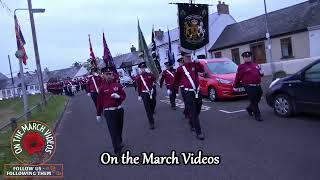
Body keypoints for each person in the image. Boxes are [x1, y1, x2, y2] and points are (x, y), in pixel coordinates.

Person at [173, 52, 205, 140]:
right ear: (183, 57)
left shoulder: (194, 64)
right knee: (193, 110)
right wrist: (174, 91)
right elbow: (176, 81)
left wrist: (197, 61)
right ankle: (199, 132)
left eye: (189, 56)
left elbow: (202, 70)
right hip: (188, 92)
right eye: (186, 56)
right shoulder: (180, 69)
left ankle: (192, 121)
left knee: (199, 106)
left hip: (197, 91)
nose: (188, 58)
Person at [96, 66, 126, 156]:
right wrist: (98, 113)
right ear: (103, 76)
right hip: (109, 112)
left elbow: (124, 96)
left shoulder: (117, 85)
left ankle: (119, 141)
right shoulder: (101, 88)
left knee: (119, 128)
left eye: (110, 74)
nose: (109, 76)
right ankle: (117, 149)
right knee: (113, 130)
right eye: (107, 74)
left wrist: (119, 97)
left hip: (119, 110)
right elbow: (99, 102)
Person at [233, 51, 264, 121]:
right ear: (243, 58)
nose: (247, 58)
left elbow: (261, 74)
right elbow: (238, 76)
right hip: (249, 86)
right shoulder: (241, 67)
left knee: (259, 97)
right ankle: (258, 115)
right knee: (253, 100)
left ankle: (249, 108)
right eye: (246, 57)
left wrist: (261, 72)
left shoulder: (255, 65)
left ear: (250, 57)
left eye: (249, 57)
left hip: (258, 85)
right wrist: (235, 85)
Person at [136, 62, 157, 130]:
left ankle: (152, 110)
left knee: (153, 103)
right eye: (142, 68)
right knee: (147, 109)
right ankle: (151, 123)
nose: (143, 69)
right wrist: (139, 95)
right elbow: (139, 86)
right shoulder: (139, 77)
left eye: (144, 68)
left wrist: (153, 80)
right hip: (144, 93)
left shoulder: (149, 74)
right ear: (140, 69)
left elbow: (154, 79)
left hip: (151, 92)